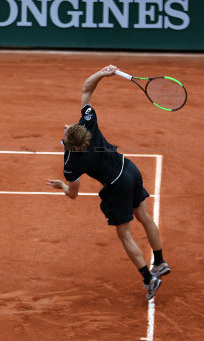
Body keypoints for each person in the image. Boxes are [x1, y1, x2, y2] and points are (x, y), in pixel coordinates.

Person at [46, 65, 170, 300]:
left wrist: (61, 186)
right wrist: (103, 73)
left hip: (117, 185)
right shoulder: (88, 123)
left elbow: (73, 194)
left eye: (67, 129)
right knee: (143, 216)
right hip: (130, 168)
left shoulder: (72, 161)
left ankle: (148, 278)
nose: (65, 126)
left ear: (71, 142)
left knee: (124, 233)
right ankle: (160, 261)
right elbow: (87, 88)